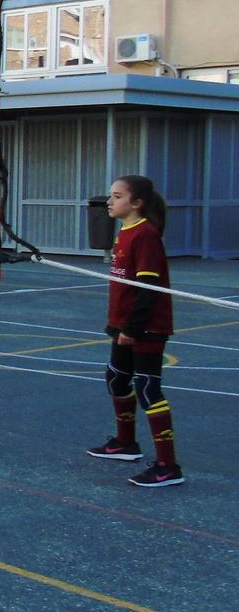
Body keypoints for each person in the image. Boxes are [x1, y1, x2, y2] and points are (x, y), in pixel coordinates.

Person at [87, 175, 184, 487]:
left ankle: (168, 466)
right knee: (117, 379)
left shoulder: (145, 235)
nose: (109, 202)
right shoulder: (125, 232)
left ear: (137, 203)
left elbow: (147, 288)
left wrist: (132, 328)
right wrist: (117, 325)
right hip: (123, 323)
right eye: (110, 196)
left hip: (146, 327)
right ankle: (126, 444)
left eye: (117, 196)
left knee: (147, 389)